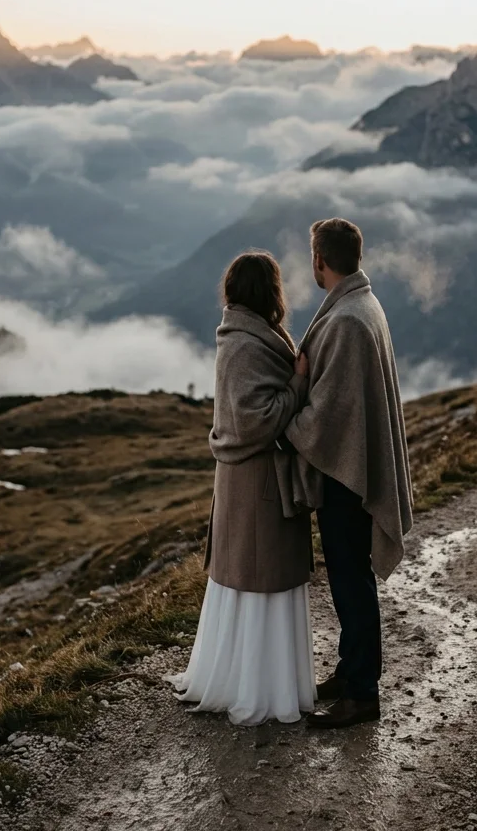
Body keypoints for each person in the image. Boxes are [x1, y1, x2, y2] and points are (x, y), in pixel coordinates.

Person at [165, 250, 316, 725]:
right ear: (269, 292)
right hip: (256, 482)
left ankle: (246, 678)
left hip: (245, 481)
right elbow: (257, 420)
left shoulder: (247, 335)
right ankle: (258, 688)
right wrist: (298, 384)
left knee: (251, 577)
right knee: (260, 577)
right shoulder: (247, 344)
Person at [281, 218, 414, 729]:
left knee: (350, 579)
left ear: (320, 260)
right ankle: (350, 670)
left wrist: (283, 423)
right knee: (348, 576)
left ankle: (362, 693)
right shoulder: (363, 304)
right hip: (353, 464)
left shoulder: (346, 321)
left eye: (312, 258)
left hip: (347, 473)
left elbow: (329, 414)